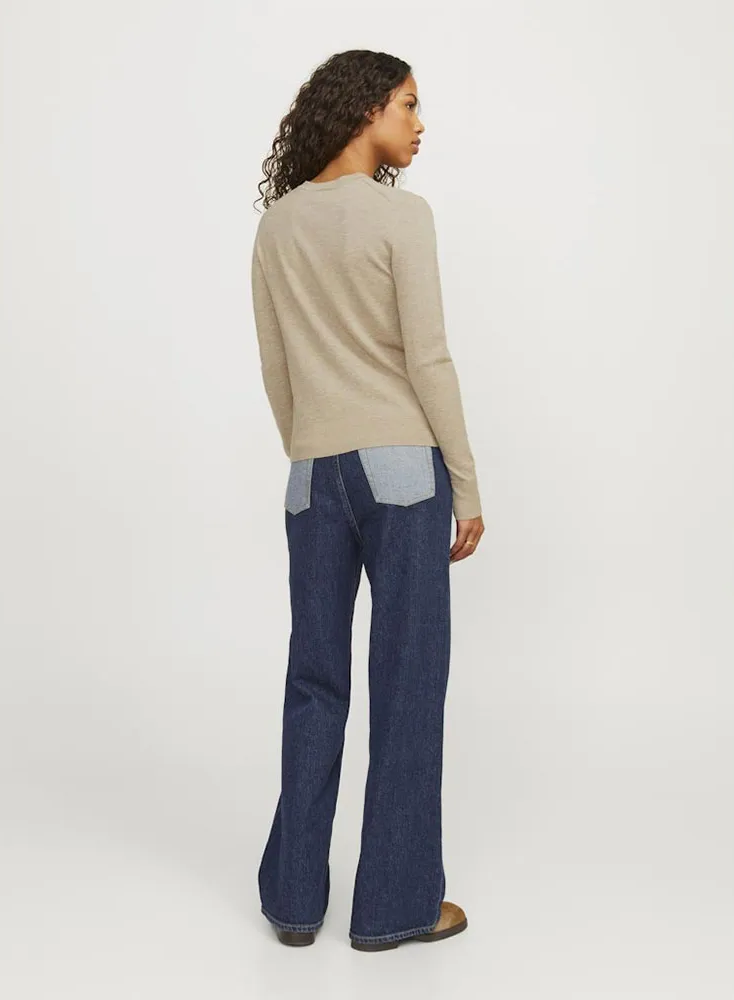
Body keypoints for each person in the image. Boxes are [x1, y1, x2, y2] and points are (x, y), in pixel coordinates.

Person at [250, 49, 484, 952]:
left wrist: (312, 446)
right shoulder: (401, 216)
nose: (420, 125)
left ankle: (294, 901)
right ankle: (394, 906)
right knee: (407, 680)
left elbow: (277, 370)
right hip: (403, 472)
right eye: (408, 105)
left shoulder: (277, 227)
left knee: (315, 680)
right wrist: (465, 481)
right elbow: (428, 357)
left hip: (311, 475)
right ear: (364, 110)